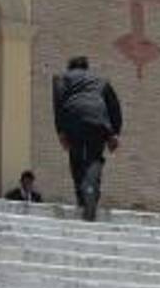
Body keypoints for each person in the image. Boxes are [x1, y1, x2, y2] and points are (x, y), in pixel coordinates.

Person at [52, 55, 122, 221]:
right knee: (94, 159)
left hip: (74, 119)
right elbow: (114, 106)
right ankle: (90, 192)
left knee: (76, 159)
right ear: (86, 68)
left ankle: (83, 198)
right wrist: (115, 133)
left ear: (70, 67)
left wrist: (61, 131)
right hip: (98, 121)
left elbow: (58, 103)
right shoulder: (101, 80)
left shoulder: (63, 78)